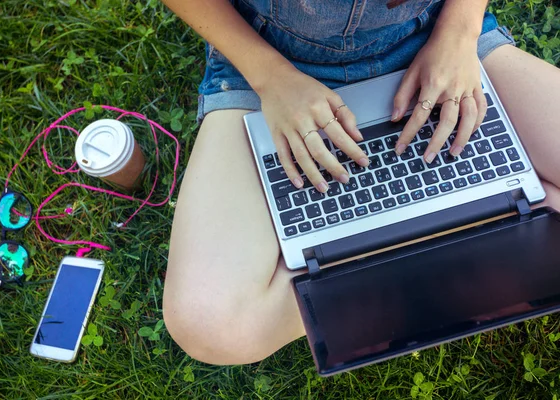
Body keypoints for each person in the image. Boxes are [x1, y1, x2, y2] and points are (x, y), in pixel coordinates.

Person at [162, 0, 560, 365]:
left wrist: (460, 31)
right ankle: (473, 253)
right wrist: (271, 78)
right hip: (268, 58)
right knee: (209, 322)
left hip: (435, 36)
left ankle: (380, 273)